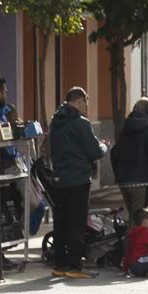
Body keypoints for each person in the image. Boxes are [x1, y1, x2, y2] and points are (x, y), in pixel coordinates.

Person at [47, 88, 107, 279]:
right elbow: (94, 151)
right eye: (86, 103)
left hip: (59, 179)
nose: (86, 107)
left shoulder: (55, 122)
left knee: (61, 222)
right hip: (78, 179)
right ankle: (74, 264)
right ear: (80, 101)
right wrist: (104, 146)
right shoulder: (81, 123)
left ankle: (60, 263)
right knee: (77, 223)